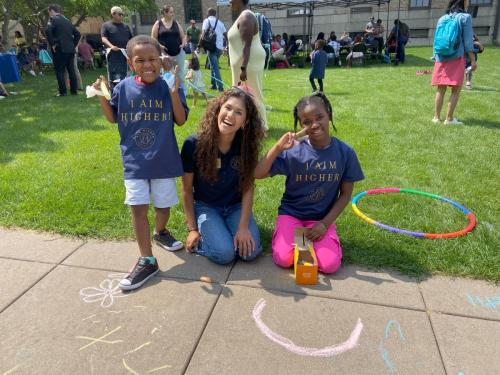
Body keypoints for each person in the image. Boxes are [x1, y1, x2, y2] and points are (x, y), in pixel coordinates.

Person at [92, 35, 189, 291]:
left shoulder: (169, 84)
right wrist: (101, 95)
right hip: (134, 161)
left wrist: (174, 91)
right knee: (138, 208)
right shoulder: (123, 87)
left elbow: (180, 120)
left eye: (152, 59)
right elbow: (113, 118)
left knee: (164, 206)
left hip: (164, 159)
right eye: (140, 60)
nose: (148, 65)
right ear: (131, 63)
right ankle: (147, 260)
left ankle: (161, 231)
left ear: (161, 60)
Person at [254, 92, 364, 274]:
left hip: (321, 218)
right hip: (292, 214)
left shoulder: (345, 153)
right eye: (306, 122)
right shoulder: (294, 151)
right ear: (301, 125)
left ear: (328, 113)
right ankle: (291, 235)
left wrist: (325, 223)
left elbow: (345, 194)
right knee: (283, 259)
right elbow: (258, 173)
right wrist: (278, 147)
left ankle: (319, 239)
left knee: (330, 266)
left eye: (319, 117)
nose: (314, 125)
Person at [181, 88, 265, 265]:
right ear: (218, 109)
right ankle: (208, 239)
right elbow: (187, 190)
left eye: (238, 112)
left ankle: (229, 230)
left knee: (250, 252)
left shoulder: (246, 146)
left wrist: (243, 228)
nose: (230, 115)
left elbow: (248, 188)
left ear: (245, 121)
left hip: (236, 206)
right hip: (207, 207)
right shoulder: (193, 144)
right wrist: (192, 229)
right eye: (227, 108)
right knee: (225, 254)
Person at [431, 0, 476, 125]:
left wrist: (435, 56)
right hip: (456, 57)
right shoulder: (465, 17)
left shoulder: (442, 18)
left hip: (441, 56)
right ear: (463, 2)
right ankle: (449, 119)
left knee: (441, 88)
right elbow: (468, 42)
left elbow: (436, 40)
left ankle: (436, 118)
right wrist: (473, 60)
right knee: (456, 89)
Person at [228, 0, 267, 129]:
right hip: (243, 63)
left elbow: (247, 45)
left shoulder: (246, 16)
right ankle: (245, 124)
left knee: (254, 94)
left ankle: (261, 126)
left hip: (249, 63)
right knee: (240, 94)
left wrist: (243, 68)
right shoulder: (242, 16)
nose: (229, 1)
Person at [45, 3, 81, 96]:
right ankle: (74, 91)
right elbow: (77, 34)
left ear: (52, 11)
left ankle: (63, 92)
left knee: (59, 70)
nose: (49, 14)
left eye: (49, 12)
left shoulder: (52, 20)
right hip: (70, 49)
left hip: (60, 48)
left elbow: (48, 31)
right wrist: (73, 45)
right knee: (71, 70)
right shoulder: (67, 21)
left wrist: (52, 44)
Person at [151, 5, 188, 95]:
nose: (172, 14)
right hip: (165, 53)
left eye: (172, 12)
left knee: (180, 73)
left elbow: (183, 36)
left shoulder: (176, 23)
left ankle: (182, 92)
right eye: (171, 12)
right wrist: (159, 46)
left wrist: (183, 44)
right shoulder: (158, 23)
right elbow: (153, 38)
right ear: (164, 13)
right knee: (167, 73)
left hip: (178, 53)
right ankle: (168, 91)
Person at [101, 6, 133, 87]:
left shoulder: (126, 26)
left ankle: (127, 89)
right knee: (115, 76)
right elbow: (104, 38)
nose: (122, 16)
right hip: (113, 55)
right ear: (113, 14)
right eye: (120, 14)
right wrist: (112, 46)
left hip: (125, 54)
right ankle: (115, 90)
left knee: (127, 73)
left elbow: (131, 39)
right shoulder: (106, 25)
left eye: (122, 14)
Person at [199, 8, 227, 92]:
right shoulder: (220, 22)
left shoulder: (206, 21)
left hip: (211, 48)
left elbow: (203, 34)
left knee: (215, 67)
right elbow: (226, 35)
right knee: (213, 65)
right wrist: (226, 46)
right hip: (220, 49)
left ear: (208, 13)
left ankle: (220, 87)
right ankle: (213, 84)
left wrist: (199, 45)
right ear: (215, 14)